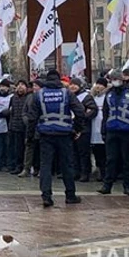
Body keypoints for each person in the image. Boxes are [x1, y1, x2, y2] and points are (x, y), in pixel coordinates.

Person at [26, 69, 86, 207]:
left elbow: (32, 119)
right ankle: (70, 195)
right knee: (67, 165)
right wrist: (77, 129)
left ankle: (46, 197)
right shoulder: (67, 93)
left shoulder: (39, 95)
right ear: (59, 79)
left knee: (45, 166)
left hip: (46, 135)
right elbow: (80, 111)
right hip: (64, 135)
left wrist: (30, 137)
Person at [99, 69, 129, 196]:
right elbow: (105, 113)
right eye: (112, 80)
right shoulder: (109, 94)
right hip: (111, 130)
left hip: (126, 131)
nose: (114, 82)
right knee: (111, 159)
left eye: (116, 79)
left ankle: (127, 186)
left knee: (127, 160)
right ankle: (107, 185)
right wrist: (103, 131)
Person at [69, 78, 97, 182]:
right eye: (71, 84)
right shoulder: (69, 96)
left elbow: (93, 110)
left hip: (83, 128)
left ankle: (85, 172)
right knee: (73, 152)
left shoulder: (86, 97)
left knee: (83, 152)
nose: (73, 87)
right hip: (71, 128)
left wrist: (82, 117)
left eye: (75, 85)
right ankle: (76, 171)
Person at [8, 81, 30, 175]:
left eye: (22, 85)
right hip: (15, 126)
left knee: (25, 148)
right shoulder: (13, 98)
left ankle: (25, 167)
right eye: (18, 85)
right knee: (16, 148)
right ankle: (17, 165)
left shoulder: (29, 97)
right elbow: (11, 112)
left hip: (25, 126)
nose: (20, 87)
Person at [90, 78, 109, 182]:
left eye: (101, 85)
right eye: (97, 84)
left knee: (104, 151)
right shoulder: (92, 97)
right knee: (96, 150)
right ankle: (99, 170)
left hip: (104, 127)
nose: (98, 86)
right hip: (94, 127)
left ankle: (105, 172)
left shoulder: (107, 97)